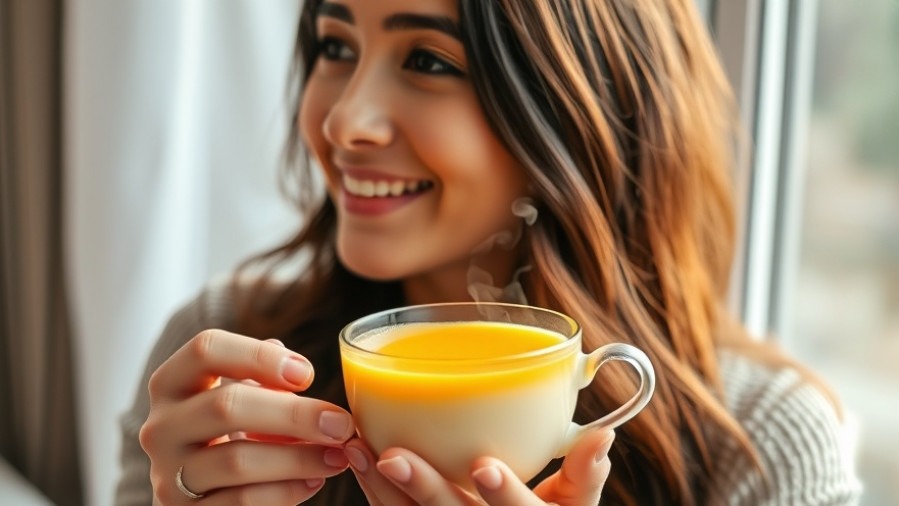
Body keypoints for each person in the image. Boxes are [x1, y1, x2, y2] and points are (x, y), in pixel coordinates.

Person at [115, 0, 862, 504]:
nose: (344, 121)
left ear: (574, 115)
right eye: (335, 46)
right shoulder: (224, 363)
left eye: (430, 62)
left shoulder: (764, 447)